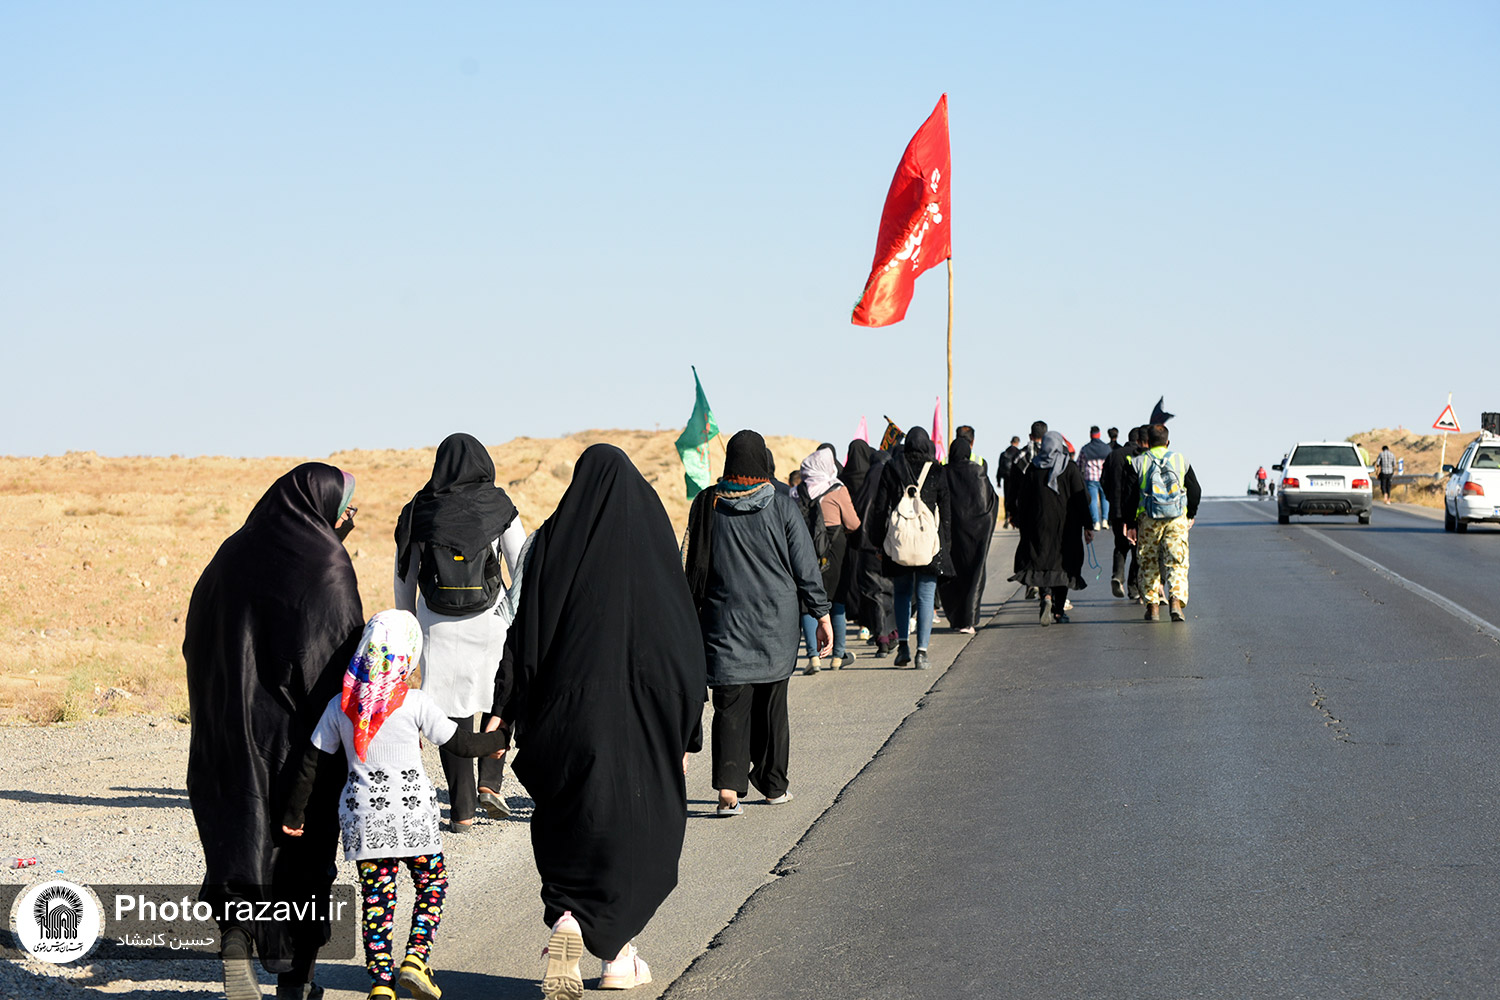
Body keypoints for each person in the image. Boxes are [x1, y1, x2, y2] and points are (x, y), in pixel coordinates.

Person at [502, 445, 708, 998]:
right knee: (640, 834)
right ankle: (616, 958)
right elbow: (684, 645)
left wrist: (509, 715)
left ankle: (570, 920)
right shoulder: (654, 542)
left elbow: (523, 636)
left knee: (576, 821)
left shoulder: (551, 541)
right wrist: (687, 731)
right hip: (645, 715)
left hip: (565, 717)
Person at [183, 463, 365, 1000]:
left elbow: (197, 646)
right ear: (322, 504)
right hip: (296, 741)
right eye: (346, 508)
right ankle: (296, 979)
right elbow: (334, 659)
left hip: (227, 737)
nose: (349, 518)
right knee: (303, 855)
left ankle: (236, 941)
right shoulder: (326, 563)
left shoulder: (228, 556)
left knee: (241, 838)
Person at [281, 610, 508, 1000]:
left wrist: (294, 814)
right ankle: (416, 959)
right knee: (432, 884)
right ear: (409, 655)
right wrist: (499, 738)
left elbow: (311, 763)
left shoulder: (341, 706)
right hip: (414, 819)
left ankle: (382, 986)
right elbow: (461, 745)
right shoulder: (414, 702)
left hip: (365, 823)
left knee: (377, 904)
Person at [685, 430, 831, 815]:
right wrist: (821, 613)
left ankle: (728, 793)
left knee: (730, 706)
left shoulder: (708, 505)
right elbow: (805, 567)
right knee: (772, 706)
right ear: (762, 463)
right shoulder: (783, 507)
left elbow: (693, 567)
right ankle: (773, 785)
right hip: (776, 628)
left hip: (724, 624)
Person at [394, 433, 524, 832]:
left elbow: (405, 575)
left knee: (451, 709)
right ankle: (490, 781)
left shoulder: (420, 507)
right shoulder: (497, 503)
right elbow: (521, 563)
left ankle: (462, 810)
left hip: (436, 621)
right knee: (498, 697)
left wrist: (410, 627)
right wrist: (512, 613)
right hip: (490, 620)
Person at [869, 426, 952, 669]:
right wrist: (944, 542)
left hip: (899, 542)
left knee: (902, 594)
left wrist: (877, 540)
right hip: (929, 543)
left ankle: (903, 646)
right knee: (926, 596)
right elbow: (946, 509)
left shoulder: (892, 467)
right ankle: (922, 652)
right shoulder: (937, 470)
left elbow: (880, 507)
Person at [1009, 432, 1093, 625]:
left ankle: (1045, 596)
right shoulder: (1069, 468)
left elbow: (1023, 499)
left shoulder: (1033, 468)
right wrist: (1088, 525)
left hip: (1039, 525)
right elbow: (1081, 499)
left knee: (1042, 561)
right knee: (1064, 566)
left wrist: (1021, 521)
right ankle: (1058, 611)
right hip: (1067, 527)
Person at [1125, 424, 1202, 622]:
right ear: (1168, 442)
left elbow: (1129, 496)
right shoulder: (1180, 460)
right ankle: (1175, 601)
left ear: (1147, 443)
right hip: (1176, 519)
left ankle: (1152, 607)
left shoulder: (1138, 462)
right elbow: (1195, 490)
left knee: (1148, 562)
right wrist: (1190, 513)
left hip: (1148, 520)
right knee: (1177, 561)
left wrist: (1130, 523)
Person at [795, 447, 862, 673]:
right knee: (837, 601)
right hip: (835, 549)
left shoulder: (797, 492)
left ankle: (814, 657)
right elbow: (853, 524)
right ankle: (837, 655)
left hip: (805, 550)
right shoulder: (837, 489)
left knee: (808, 603)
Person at [937, 436, 998, 634]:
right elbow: (990, 501)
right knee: (974, 573)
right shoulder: (978, 472)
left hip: (951, 534)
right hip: (975, 534)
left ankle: (956, 618)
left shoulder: (943, 473)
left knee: (952, 575)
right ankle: (969, 620)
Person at [848, 439, 897, 655]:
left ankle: (882, 637)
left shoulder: (865, 486)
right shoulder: (894, 486)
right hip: (890, 547)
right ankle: (891, 632)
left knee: (874, 593)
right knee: (889, 590)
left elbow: (856, 518)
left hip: (868, 549)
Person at [1102, 427, 1146, 600]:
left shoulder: (1113, 455)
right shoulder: (1140, 456)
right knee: (1137, 548)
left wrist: (1111, 499)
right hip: (1134, 510)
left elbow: (1103, 481)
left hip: (1116, 509)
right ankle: (1133, 588)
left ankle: (1117, 576)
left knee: (1120, 545)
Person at [1006, 422, 1048, 598]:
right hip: (1047, 510)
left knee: (1028, 544)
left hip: (1025, 509)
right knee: (1046, 546)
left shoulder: (1019, 458)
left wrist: (1011, 512)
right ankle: (1047, 587)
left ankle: (1031, 582)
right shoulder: (1054, 454)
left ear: (1030, 436)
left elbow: (1012, 488)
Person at [1079, 426, 1112, 530]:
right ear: (1099, 434)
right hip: (1104, 478)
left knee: (1093, 500)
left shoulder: (1085, 449)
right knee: (1105, 499)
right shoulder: (1106, 448)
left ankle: (1096, 522)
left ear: (1090, 435)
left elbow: (1079, 464)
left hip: (1091, 478)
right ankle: (1105, 520)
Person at [996, 436, 1023, 529]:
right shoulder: (1019, 453)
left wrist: (998, 480)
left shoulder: (1004, 453)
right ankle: (1015, 517)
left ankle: (1007, 516)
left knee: (1007, 497)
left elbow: (999, 467)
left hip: (1006, 478)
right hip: (1016, 478)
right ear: (1017, 442)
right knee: (1016, 497)